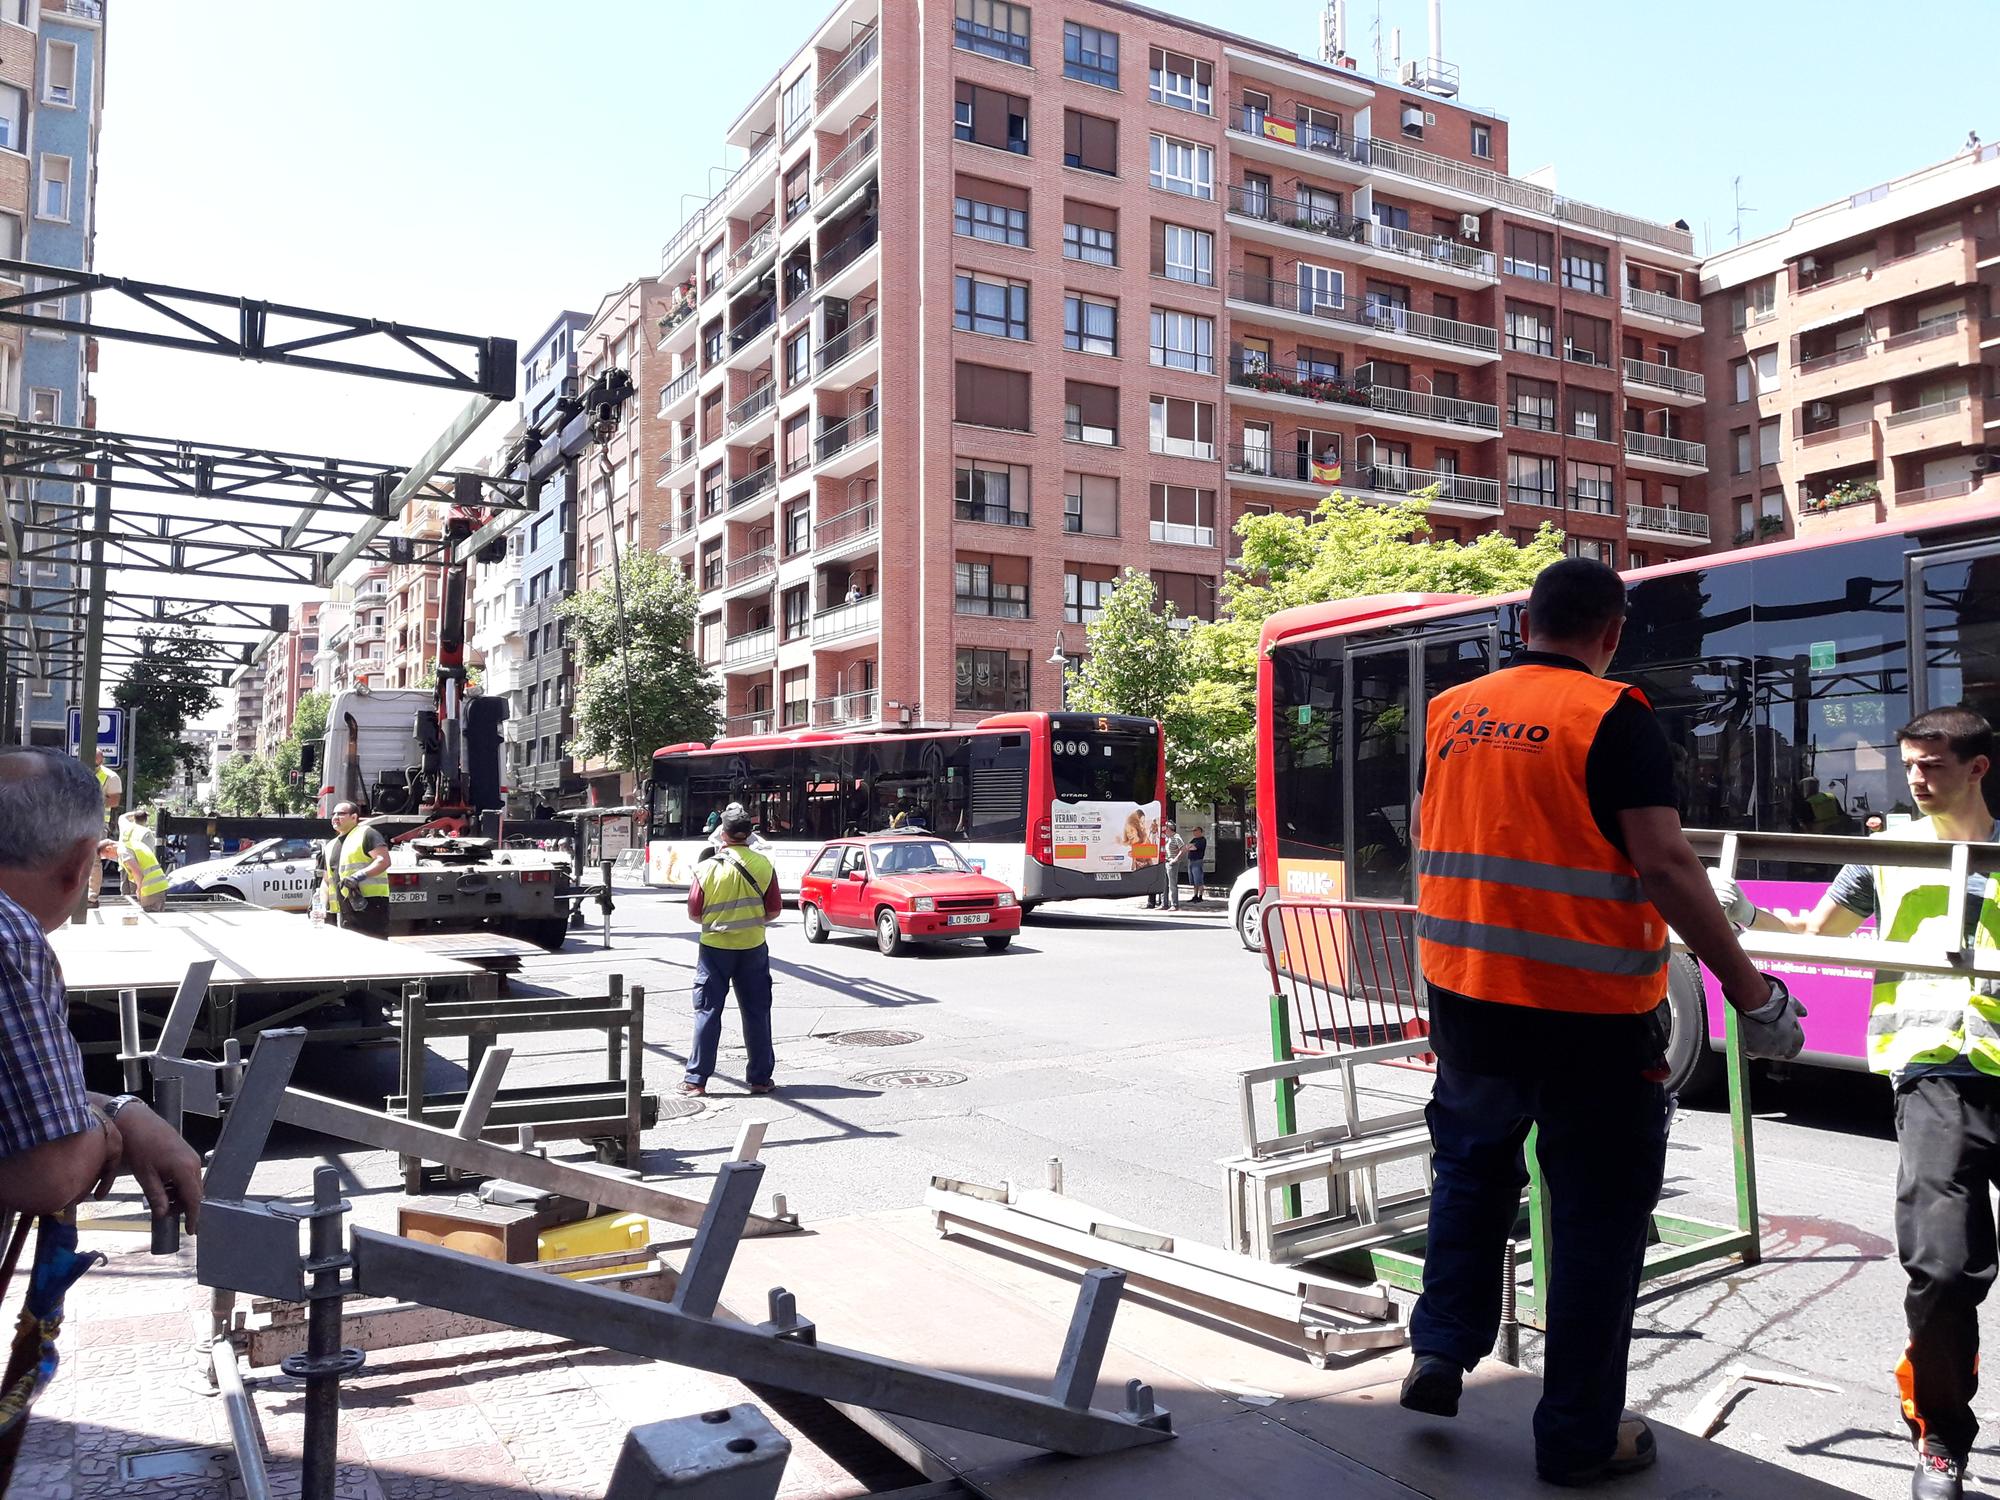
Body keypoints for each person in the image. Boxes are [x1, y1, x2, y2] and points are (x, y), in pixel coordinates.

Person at [1402, 558, 1803, 1488]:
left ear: (1529, 623)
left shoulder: (1450, 711)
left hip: (1467, 1001)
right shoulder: (1612, 715)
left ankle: (1441, 1347)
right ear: (1611, 632)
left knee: (1471, 1172)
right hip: (1588, 1021)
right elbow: (1664, 866)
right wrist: (1753, 996)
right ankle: (1578, 1438)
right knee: (1594, 1226)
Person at [1713, 706, 1997, 1499]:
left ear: (1978, 768)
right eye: (1909, 763)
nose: (1915, 777)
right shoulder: (1880, 857)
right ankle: (1940, 1439)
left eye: (1933, 765)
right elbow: (1818, 931)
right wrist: (1741, 914)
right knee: (1940, 1269)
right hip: (1938, 1074)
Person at [0, 749, 203, 1227]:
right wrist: (103, 1132)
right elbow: (50, 1172)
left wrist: (117, 1110)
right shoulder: (11, 935)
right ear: (77, 864)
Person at [682, 809, 780, 1098]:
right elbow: (773, 910)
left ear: (722, 834)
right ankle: (760, 1079)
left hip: (715, 950)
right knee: (757, 1013)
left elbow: (694, 913)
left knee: (708, 1012)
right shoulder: (763, 865)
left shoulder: (706, 868)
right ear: (748, 835)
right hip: (753, 948)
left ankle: (696, 1081)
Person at [324, 801, 391, 939]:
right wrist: (320, 904)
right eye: (333, 814)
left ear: (354, 817)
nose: (335, 817)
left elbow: (383, 860)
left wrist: (357, 876)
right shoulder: (330, 845)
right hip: (343, 909)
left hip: (370, 905)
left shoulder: (367, 833)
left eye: (341, 814)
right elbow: (326, 880)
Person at [86, 752, 121, 906]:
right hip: (74, 821)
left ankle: (91, 897)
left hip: (97, 822)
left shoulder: (110, 777)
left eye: (96, 764)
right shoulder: (75, 771)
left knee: (93, 859)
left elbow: (114, 801)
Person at [100, 833, 167, 913]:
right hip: (161, 885)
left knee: (150, 915)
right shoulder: (134, 844)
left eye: (107, 856)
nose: (110, 858)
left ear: (109, 848)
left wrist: (139, 890)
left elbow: (137, 872)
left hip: (149, 889)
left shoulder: (123, 852)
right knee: (158, 916)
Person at [1186, 826, 1208, 902]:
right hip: (1191, 861)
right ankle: (1195, 895)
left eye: (1196, 831)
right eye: (1194, 831)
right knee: (1193, 880)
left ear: (1200, 832)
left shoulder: (1202, 840)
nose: (1194, 832)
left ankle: (1200, 896)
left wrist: (1191, 847)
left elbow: (1194, 848)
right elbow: (1187, 846)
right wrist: (1190, 847)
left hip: (1197, 861)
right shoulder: (1194, 839)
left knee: (1199, 879)